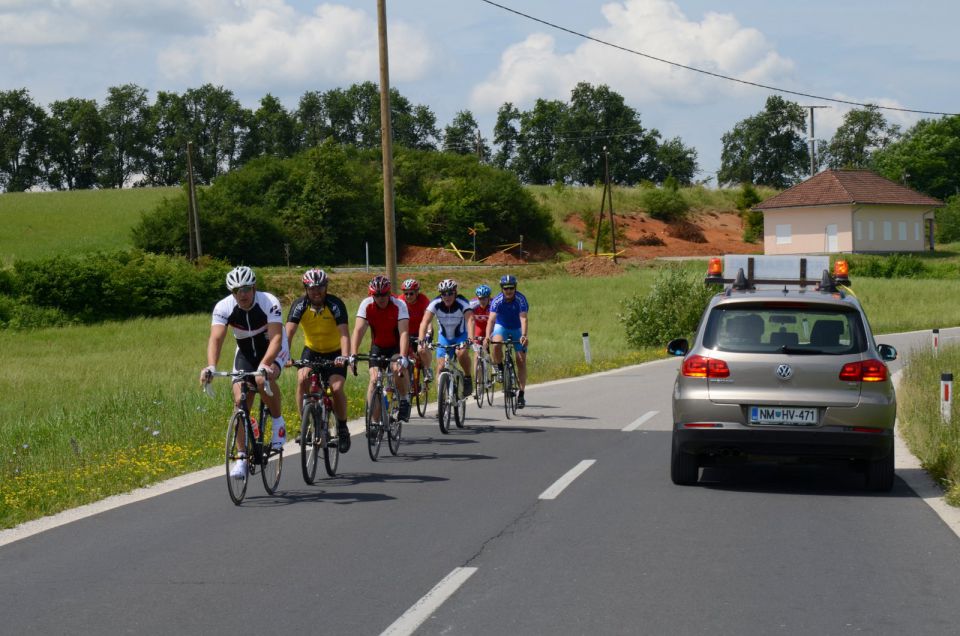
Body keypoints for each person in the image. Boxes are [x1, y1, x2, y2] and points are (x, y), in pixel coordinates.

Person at [200, 265, 290, 478]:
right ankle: (241, 457)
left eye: (247, 289)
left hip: (272, 347)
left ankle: (278, 422)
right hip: (246, 351)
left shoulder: (269, 301)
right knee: (240, 402)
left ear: (254, 287)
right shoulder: (224, 307)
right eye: (237, 291)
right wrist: (211, 366)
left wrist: (266, 364)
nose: (242, 294)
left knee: (261, 380)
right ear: (232, 293)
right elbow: (216, 338)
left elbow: (277, 338)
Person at [285, 268, 352, 453]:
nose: (316, 292)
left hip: (335, 352)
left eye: (320, 287)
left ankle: (343, 427)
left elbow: (344, 334)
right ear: (306, 289)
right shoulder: (300, 304)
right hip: (312, 351)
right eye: (312, 288)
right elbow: (288, 332)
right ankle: (305, 425)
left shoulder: (335, 304)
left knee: (337, 388)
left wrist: (344, 357)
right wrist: (284, 355)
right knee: (302, 379)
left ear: (326, 287)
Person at [350, 275, 412, 423]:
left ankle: (404, 399)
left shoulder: (399, 305)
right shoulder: (366, 305)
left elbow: (404, 332)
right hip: (377, 347)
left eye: (384, 294)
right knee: (373, 380)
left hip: (395, 346)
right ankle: (373, 422)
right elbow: (358, 331)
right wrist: (353, 354)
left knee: (397, 367)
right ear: (372, 294)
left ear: (389, 293)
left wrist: (403, 356)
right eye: (377, 295)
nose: (381, 298)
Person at [420, 279, 474, 397]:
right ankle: (442, 402)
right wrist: (421, 340)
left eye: (450, 293)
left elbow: (470, 320)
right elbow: (424, 322)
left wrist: (470, 338)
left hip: (460, 335)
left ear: (455, 293)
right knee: (440, 367)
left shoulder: (462, 302)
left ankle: (468, 377)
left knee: (461, 353)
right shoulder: (435, 303)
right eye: (444, 293)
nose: (447, 296)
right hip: (444, 337)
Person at [486, 273, 529, 408]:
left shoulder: (521, 300)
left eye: (511, 288)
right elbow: (491, 320)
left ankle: (521, 394)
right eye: (506, 288)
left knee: (521, 360)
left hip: (517, 329)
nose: (509, 291)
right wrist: (488, 336)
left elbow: (523, 319)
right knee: (496, 343)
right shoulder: (497, 300)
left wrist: (524, 335)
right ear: (502, 289)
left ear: (515, 288)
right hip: (502, 326)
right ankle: (500, 368)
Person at [397, 278, 433, 383]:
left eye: (411, 293)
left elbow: (428, 319)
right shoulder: (400, 300)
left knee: (422, 350)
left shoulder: (423, 300)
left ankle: (427, 369)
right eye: (406, 293)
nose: (408, 296)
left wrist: (428, 333)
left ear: (417, 292)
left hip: (422, 331)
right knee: (404, 354)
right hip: (406, 332)